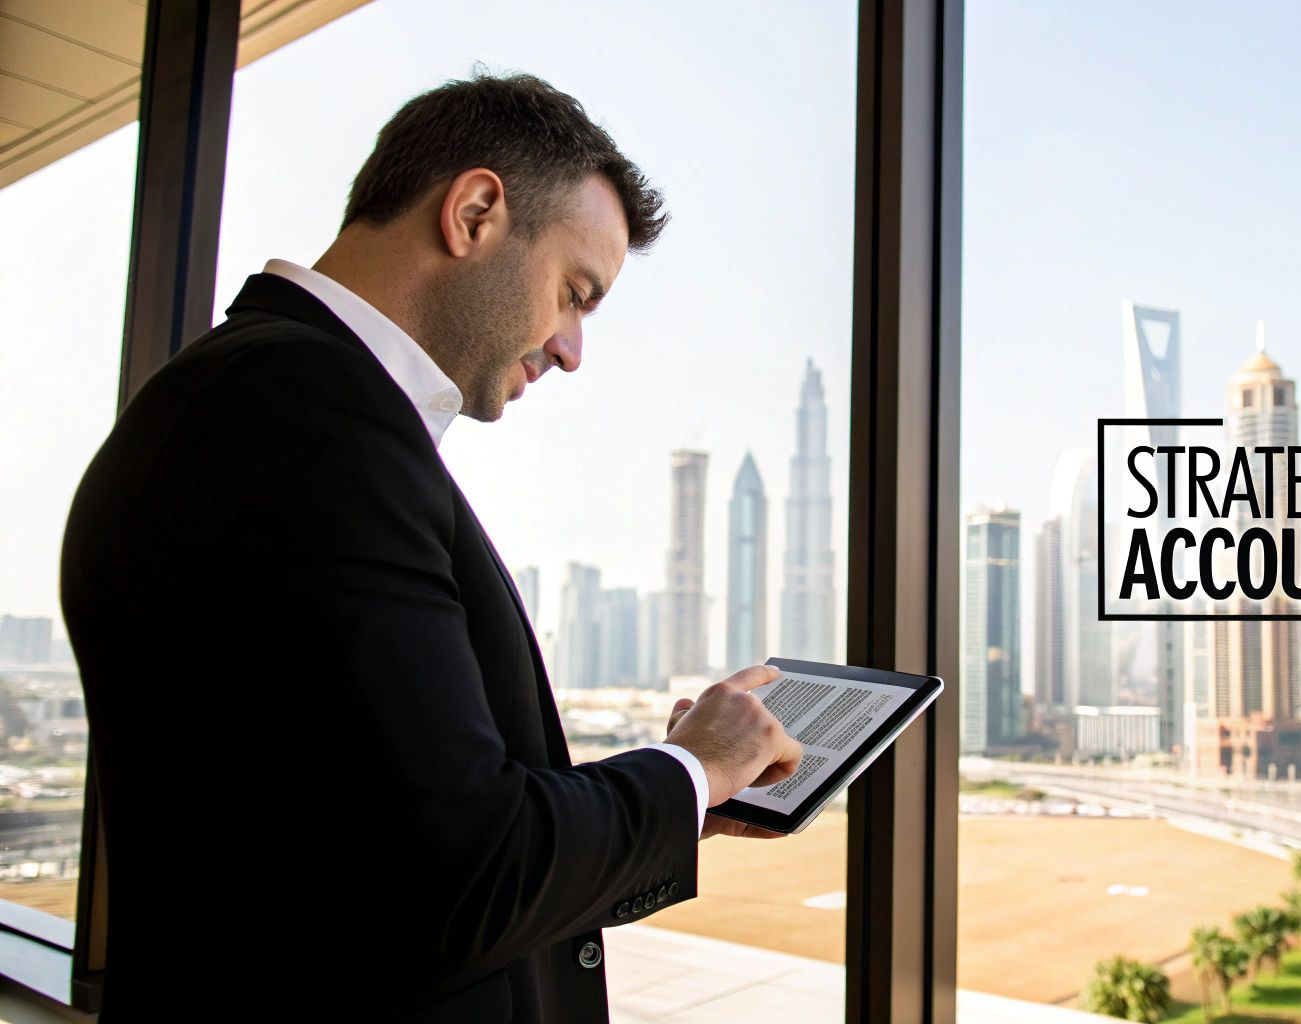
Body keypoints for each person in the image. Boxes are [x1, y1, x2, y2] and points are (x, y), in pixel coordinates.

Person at [59, 72, 802, 1022]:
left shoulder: (251, 395)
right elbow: (459, 875)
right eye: (575, 294)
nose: (573, 349)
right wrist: (689, 771)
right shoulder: (305, 419)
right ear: (476, 212)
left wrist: (684, 793)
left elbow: (363, 835)